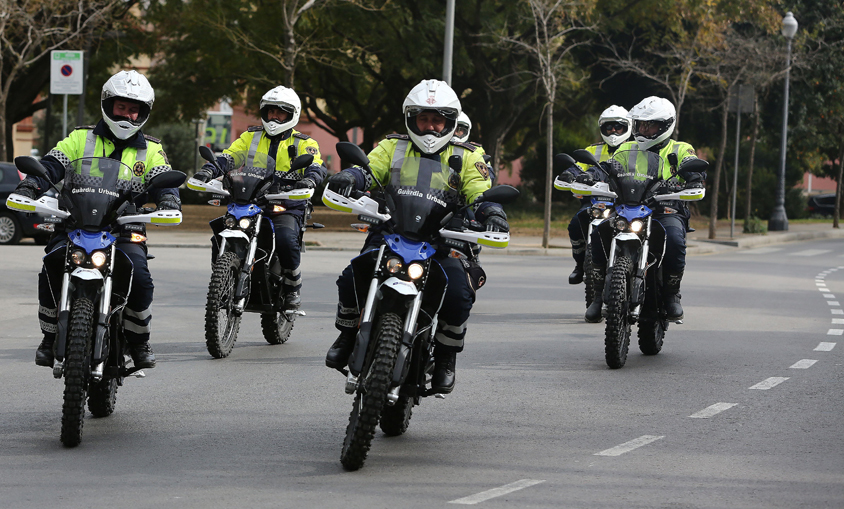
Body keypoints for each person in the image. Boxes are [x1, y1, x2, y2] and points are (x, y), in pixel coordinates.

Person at [323, 79, 508, 393]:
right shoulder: (393, 145)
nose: (431, 127)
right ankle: (347, 332)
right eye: (423, 119)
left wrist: (491, 212)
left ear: (449, 122)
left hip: (443, 238)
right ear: (411, 119)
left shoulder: (469, 154)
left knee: (459, 292)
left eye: (438, 120)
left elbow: (480, 192)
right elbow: (369, 168)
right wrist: (349, 176)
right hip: (393, 230)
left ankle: (447, 356)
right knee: (353, 274)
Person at [14, 70, 180, 368]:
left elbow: (162, 179)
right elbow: (53, 165)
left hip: (125, 226)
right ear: (108, 104)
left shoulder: (151, 149)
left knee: (139, 276)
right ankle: (50, 337)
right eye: (121, 107)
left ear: (143, 113)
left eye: (134, 109)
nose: (127, 115)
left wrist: (169, 199)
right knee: (52, 262)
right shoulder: (80, 138)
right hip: (76, 222)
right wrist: (30, 186)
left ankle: (139, 341)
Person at [194, 86, 327, 311]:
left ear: (292, 114)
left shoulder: (304, 142)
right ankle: (224, 277)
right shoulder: (250, 137)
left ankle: (293, 286)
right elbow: (229, 156)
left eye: (281, 113)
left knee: (285, 237)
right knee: (220, 229)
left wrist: (310, 180)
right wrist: (209, 170)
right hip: (251, 200)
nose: (274, 117)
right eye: (270, 111)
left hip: (286, 203)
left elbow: (316, 166)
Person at [581, 96, 706, 322]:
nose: (645, 130)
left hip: (664, 209)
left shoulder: (680, 148)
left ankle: (671, 296)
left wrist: (693, 177)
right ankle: (599, 296)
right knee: (599, 230)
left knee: (675, 239)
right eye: (641, 124)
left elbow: (691, 164)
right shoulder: (627, 147)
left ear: (666, 126)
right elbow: (607, 168)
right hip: (630, 206)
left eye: (651, 125)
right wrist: (587, 175)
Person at [556, 105, 631, 287]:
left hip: (627, 203)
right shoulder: (593, 150)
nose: (613, 131)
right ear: (602, 129)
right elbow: (577, 166)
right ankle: (580, 264)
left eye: (618, 126)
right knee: (576, 223)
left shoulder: (637, 150)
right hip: (598, 202)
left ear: (628, 127)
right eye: (608, 127)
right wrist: (569, 173)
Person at [453, 112, 496, 184]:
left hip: (467, 189)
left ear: (466, 131)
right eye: (453, 129)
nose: (455, 133)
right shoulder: (438, 147)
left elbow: (489, 175)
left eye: (459, 130)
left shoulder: (476, 149)